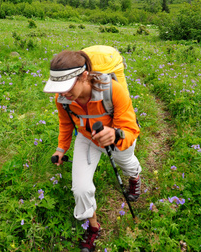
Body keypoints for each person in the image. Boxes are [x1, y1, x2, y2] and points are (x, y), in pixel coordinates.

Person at [43, 50, 142, 252]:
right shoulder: (62, 99)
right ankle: (93, 227)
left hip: (117, 137)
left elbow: (132, 129)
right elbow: (65, 124)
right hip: (87, 139)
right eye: (59, 88)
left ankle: (134, 177)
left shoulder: (113, 90)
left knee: (127, 163)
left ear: (84, 76)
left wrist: (115, 134)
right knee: (80, 189)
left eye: (67, 87)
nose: (62, 93)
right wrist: (61, 149)